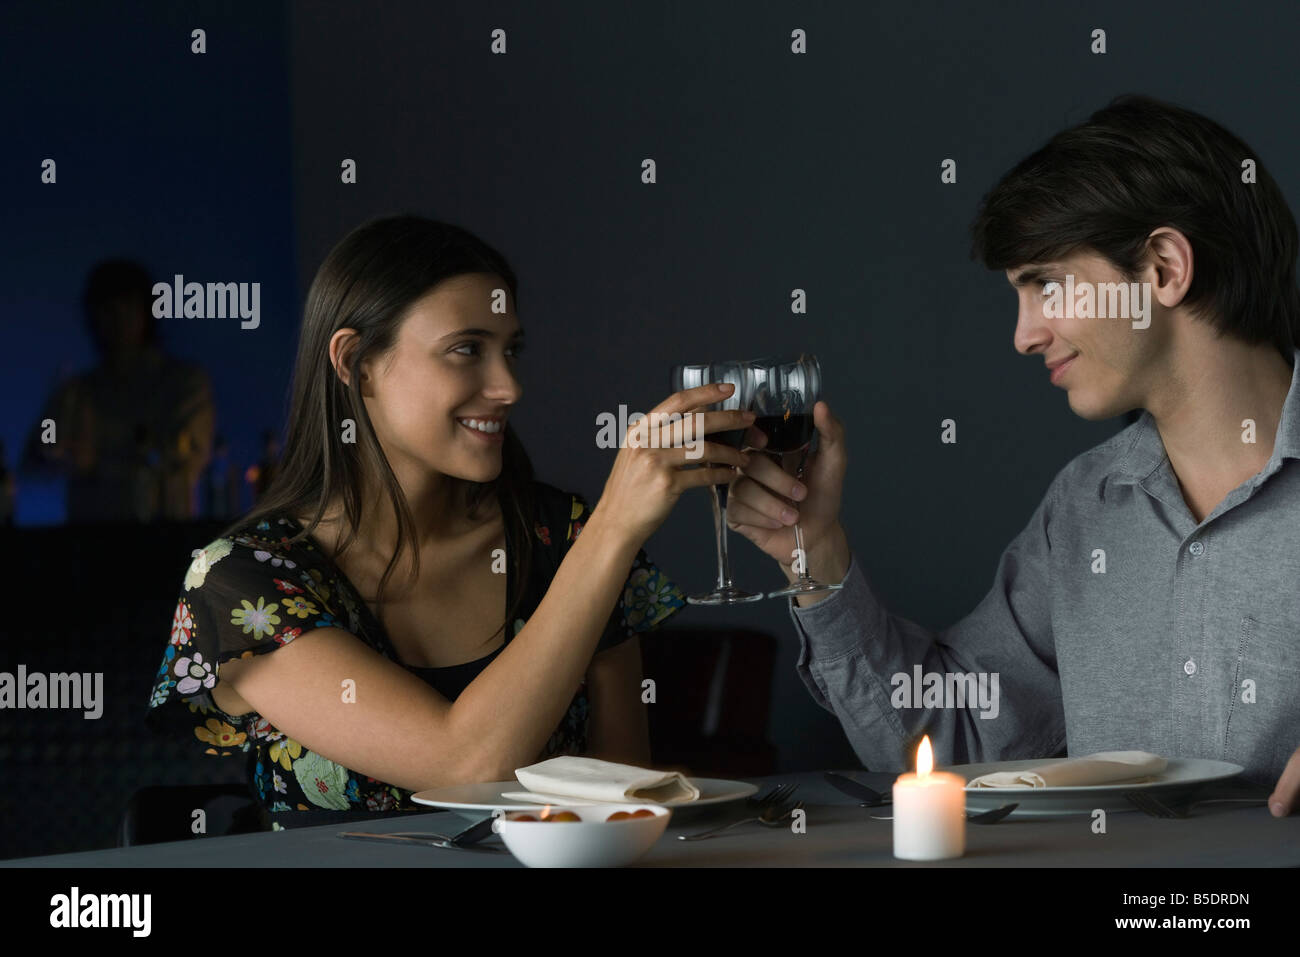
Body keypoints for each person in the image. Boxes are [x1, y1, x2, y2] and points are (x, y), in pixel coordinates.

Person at [727, 94, 1300, 817]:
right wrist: (815, 556)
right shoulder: (1084, 508)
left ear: (1162, 268)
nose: (1024, 335)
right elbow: (956, 743)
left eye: (1046, 285)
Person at [145, 216, 750, 827]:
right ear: (355, 362)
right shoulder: (242, 584)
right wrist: (616, 529)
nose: (508, 386)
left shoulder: (561, 536)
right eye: (467, 349)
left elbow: (625, 802)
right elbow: (462, 763)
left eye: (509, 350)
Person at [22, 260, 215, 523]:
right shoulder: (77, 392)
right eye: (106, 308)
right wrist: (53, 448)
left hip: (164, 538)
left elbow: (186, 457)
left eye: (127, 305)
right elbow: (37, 455)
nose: (116, 317)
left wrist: (97, 463)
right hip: (89, 543)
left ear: (147, 311)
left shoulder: (183, 383)